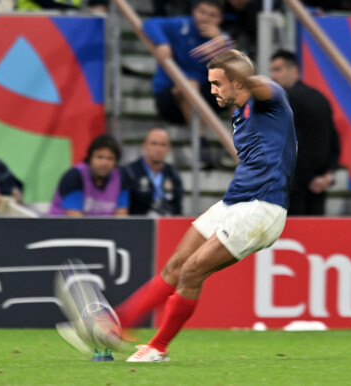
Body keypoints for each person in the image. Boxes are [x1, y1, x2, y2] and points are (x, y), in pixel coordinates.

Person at [114, 49, 296, 362]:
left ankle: (157, 349)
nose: (211, 90)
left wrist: (238, 71)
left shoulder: (270, 99)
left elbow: (261, 86)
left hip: (262, 208)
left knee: (192, 271)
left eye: (217, 83)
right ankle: (119, 324)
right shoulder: (240, 113)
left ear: (238, 83)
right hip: (234, 202)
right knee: (176, 265)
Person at [143, 0, 232, 168]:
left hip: (203, 96)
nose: (205, 18)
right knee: (189, 85)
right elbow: (149, 23)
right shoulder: (180, 25)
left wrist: (219, 42)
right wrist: (162, 42)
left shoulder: (221, 39)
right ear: (193, 12)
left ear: (220, 19)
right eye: (202, 12)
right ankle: (201, 145)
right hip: (170, 97)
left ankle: (236, 145)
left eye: (212, 15)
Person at [269, 49, 340, 216]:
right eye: (272, 70)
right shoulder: (320, 98)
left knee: (294, 234)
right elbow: (333, 139)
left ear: (293, 70)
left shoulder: (284, 100)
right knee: (315, 236)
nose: (273, 76)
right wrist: (327, 174)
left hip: (293, 183)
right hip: (318, 183)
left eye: (277, 70)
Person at [48, 134, 129, 217]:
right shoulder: (74, 176)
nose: (104, 163)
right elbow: (75, 221)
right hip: (62, 228)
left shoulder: (121, 177)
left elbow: (121, 218)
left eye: (110, 158)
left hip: (103, 229)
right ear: (90, 157)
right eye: (99, 157)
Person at [122, 128, 183, 216]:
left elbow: (177, 211)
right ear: (144, 145)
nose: (158, 149)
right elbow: (123, 211)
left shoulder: (173, 174)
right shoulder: (129, 172)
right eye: (154, 144)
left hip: (166, 225)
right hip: (137, 227)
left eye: (163, 145)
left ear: (169, 148)